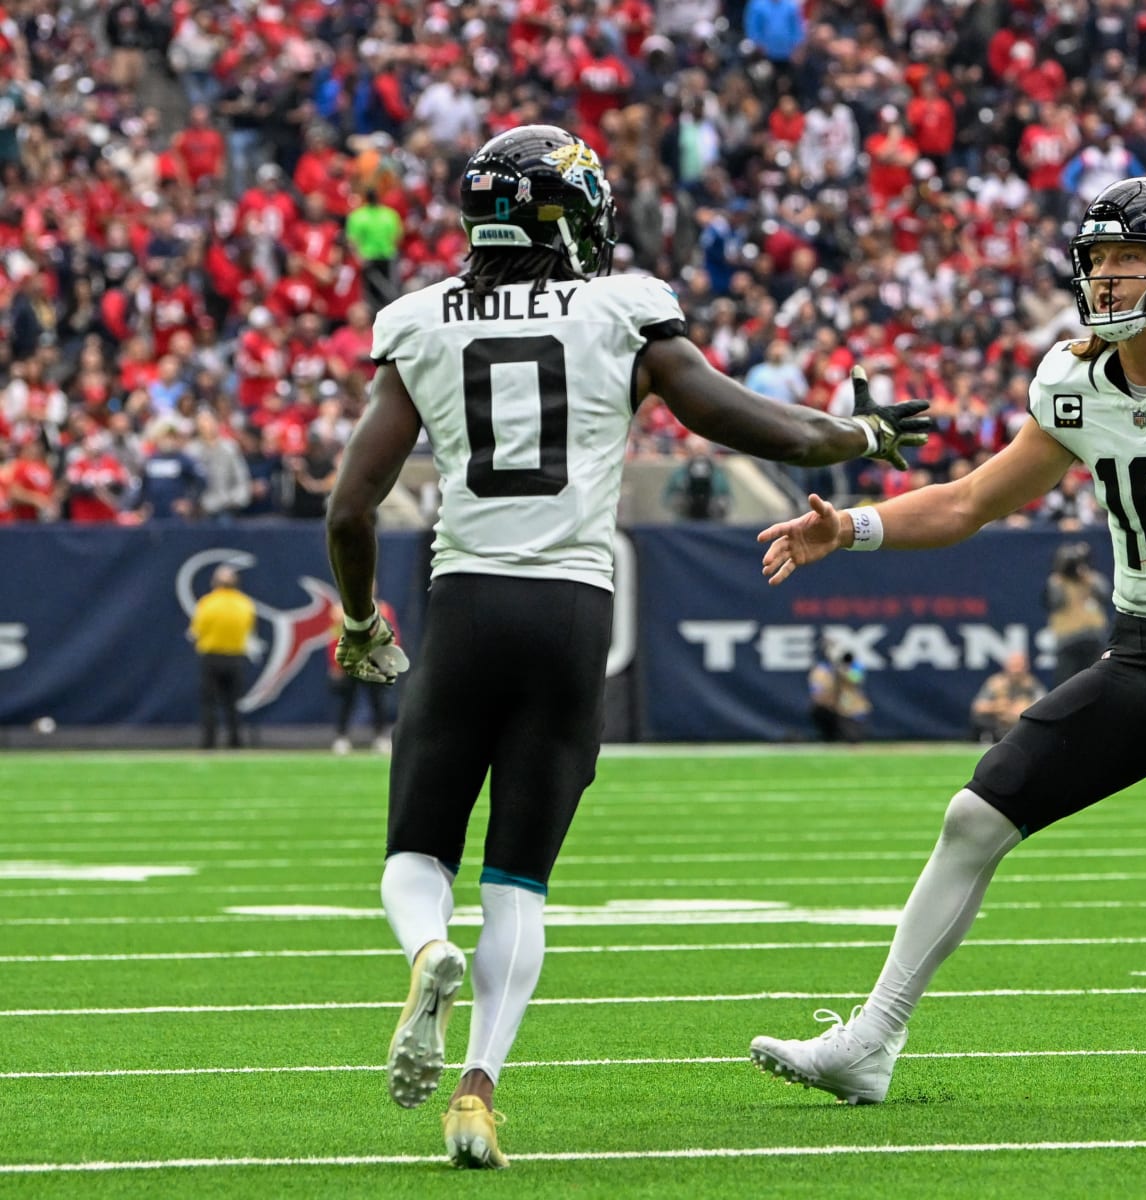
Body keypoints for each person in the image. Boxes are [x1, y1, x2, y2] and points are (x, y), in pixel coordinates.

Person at [323, 125, 929, 1170]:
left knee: (418, 851)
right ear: (570, 214)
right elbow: (754, 424)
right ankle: (477, 1093)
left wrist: (358, 620)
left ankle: (427, 949)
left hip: (465, 599)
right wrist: (861, 436)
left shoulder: (418, 320)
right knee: (519, 878)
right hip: (571, 616)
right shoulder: (620, 309)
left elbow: (349, 505)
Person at [750, 177, 1146, 1113]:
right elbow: (969, 500)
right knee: (975, 815)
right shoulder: (1074, 381)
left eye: (1126, 261)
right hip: (1139, 651)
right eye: (1096, 261)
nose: (1105, 279)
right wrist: (848, 526)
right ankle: (871, 1040)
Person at [187, 564, 256, 749]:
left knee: (209, 703)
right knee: (232, 703)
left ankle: (209, 742)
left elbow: (196, 631)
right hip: (235, 657)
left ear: (215, 583)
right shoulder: (244, 604)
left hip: (212, 656)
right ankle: (235, 741)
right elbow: (248, 629)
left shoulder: (208, 603)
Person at [328, 599, 399, 755]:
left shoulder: (383, 609)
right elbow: (335, 638)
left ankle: (380, 736)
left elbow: (391, 636)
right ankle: (341, 737)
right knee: (347, 701)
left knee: (377, 701)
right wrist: (336, 664)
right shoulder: (341, 611)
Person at [1043, 540, 1110, 684]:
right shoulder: (1056, 582)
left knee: (1097, 682)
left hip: (1093, 638)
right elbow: (1055, 602)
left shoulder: (1091, 579)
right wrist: (1059, 577)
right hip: (1068, 640)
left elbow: (1105, 594)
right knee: (1066, 685)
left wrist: (1089, 578)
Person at [969, 649, 1046, 742]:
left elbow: (1044, 706)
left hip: (1020, 723)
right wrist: (996, 707)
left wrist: (1025, 709)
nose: (1016, 670)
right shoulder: (996, 682)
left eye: (1020, 666)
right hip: (998, 723)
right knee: (979, 719)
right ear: (1006, 667)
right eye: (1014, 666)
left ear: (1026, 667)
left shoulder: (1032, 684)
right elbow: (978, 706)